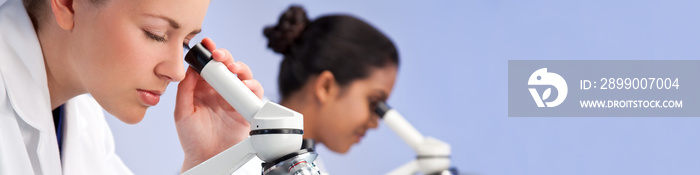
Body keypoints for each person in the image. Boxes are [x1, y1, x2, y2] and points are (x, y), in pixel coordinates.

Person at [0, 0, 263, 174]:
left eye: (185, 43)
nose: (177, 72)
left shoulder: (85, 123)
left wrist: (209, 160)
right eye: (155, 33)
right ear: (69, 4)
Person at [234, 5, 400, 174]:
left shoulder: (311, 167)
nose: (375, 123)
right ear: (326, 87)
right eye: (374, 103)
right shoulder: (234, 132)